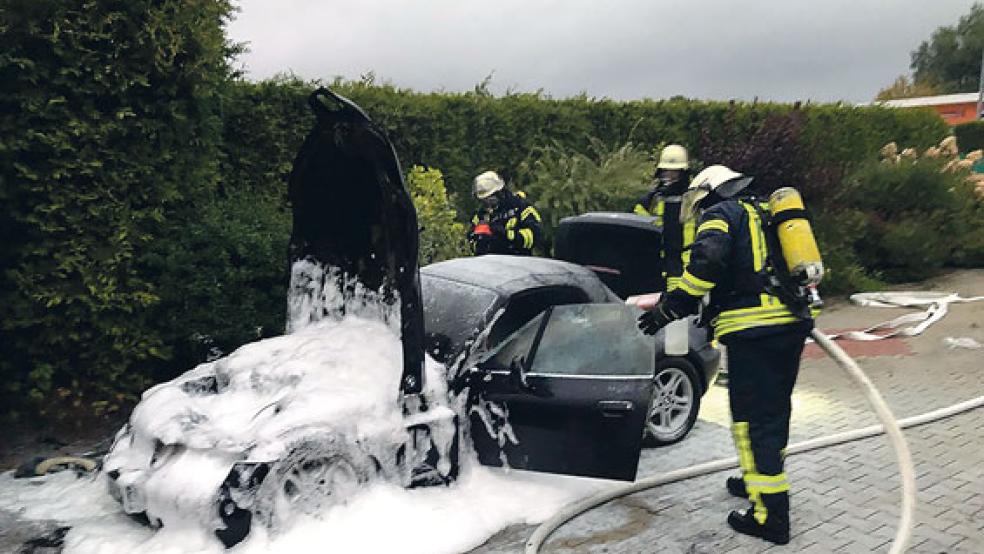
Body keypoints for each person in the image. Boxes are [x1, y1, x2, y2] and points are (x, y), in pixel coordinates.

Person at [636, 165, 816, 545]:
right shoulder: (765, 211)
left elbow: (705, 269)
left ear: (707, 193)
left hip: (754, 332)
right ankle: (758, 483)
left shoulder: (720, 214)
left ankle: (769, 517)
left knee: (751, 422)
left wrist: (666, 311)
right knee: (773, 414)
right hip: (790, 326)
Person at [632, 144, 694, 291]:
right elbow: (637, 224)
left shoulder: (693, 198)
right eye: (666, 171)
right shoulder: (653, 199)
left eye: (674, 172)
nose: (669, 176)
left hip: (685, 267)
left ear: (683, 173)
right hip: (657, 266)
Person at [468, 170, 543, 256]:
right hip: (489, 265)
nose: (487, 204)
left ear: (499, 193)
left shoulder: (520, 207)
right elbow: (471, 243)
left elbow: (534, 237)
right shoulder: (480, 216)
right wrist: (481, 241)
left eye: (489, 199)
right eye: (483, 201)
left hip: (518, 262)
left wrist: (506, 234)